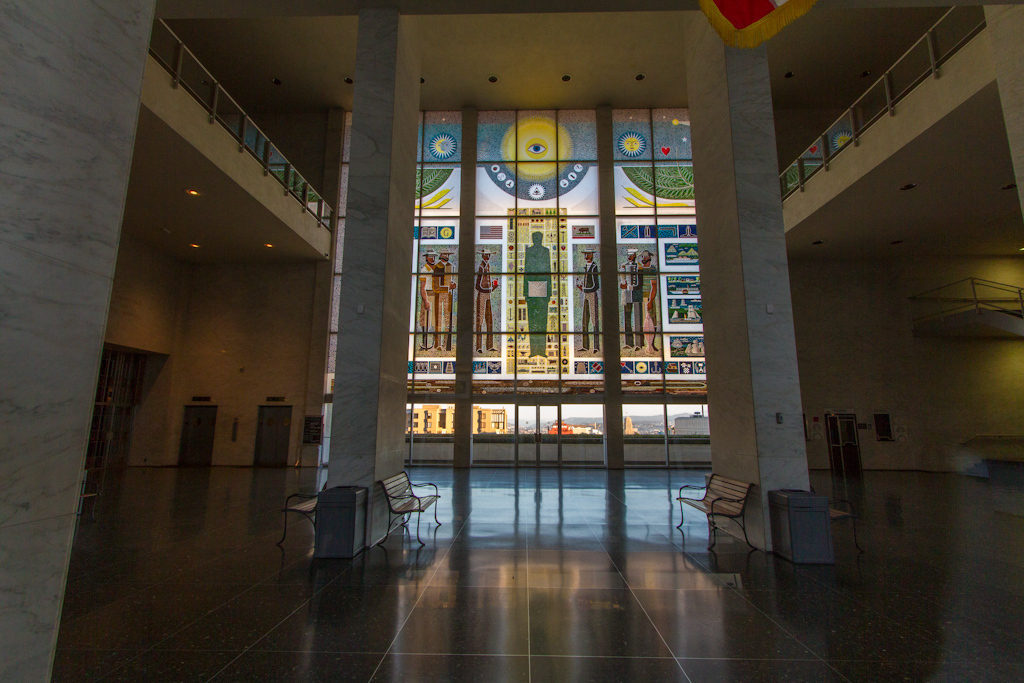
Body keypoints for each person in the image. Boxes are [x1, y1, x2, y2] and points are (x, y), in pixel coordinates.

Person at [524, 231, 551, 357]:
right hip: (532, 286)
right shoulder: (528, 252)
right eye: (535, 237)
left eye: (538, 237)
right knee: (532, 320)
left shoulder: (546, 251)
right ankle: (534, 351)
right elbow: (526, 271)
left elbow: (549, 271)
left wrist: (549, 292)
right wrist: (526, 292)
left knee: (542, 320)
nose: (537, 239)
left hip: (543, 286)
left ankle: (541, 351)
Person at [474, 249, 498, 352]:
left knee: (489, 320)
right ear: (483, 256)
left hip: (487, 294)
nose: (488, 257)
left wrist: (493, 287)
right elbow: (477, 285)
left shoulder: (487, 266)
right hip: (482, 295)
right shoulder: (481, 267)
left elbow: (487, 283)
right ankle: (479, 346)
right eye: (486, 255)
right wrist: (487, 289)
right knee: (480, 320)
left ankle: (489, 345)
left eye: (489, 255)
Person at [576, 248, 600, 352]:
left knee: (594, 320)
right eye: (585, 254)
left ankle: (596, 346)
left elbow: (596, 285)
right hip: (586, 294)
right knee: (584, 320)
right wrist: (581, 287)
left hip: (592, 295)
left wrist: (585, 289)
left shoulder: (594, 267)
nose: (586, 256)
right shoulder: (586, 267)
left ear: (592, 255)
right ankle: (585, 346)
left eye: (588, 254)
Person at [434, 250, 456, 351]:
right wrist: (448, 287)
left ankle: (446, 344)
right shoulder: (437, 267)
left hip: (448, 294)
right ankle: (437, 344)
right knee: (438, 319)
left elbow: (450, 279)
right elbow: (436, 285)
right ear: (441, 256)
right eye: (445, 254)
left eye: (448, 254)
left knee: (448, 319)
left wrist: (453, 284)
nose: (446, 256)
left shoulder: (450, 266)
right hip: (439, 294)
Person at [619, 248, 641, 349]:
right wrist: (623, 284)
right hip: (627, 294)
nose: (629, 257)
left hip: (636, 294)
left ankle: (638, 343)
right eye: (628, 255)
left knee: (637, 318)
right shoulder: (624, 265)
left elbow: (639, 283)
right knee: (627, 317)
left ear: (635, 256)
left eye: (631, 255)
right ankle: (628, 343)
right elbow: (622, 280)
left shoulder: (639, 267)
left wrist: (628, 286)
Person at [639, 249, 659, 352]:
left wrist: (650, 301)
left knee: (652, 320)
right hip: (640, 296)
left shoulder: (652, 269)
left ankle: (652, 344)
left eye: (645, 257)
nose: (644, 259)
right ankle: (642, 343)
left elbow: (654, 286)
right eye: (643, 257)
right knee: (642, 321)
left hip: (649, 297)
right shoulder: (640, 269)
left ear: (649, 258)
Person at [418, 250, 437, 349]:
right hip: (428, 294)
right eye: (430, 257)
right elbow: (422, 288)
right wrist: (426, 300)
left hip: (435, 293)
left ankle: (434, 343)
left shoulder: (435, 269)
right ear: (426, 258)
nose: (432, 258)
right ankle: (424, 343)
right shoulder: (424, 270)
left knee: (433, 320)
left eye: (433, 256)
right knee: (425, 319)